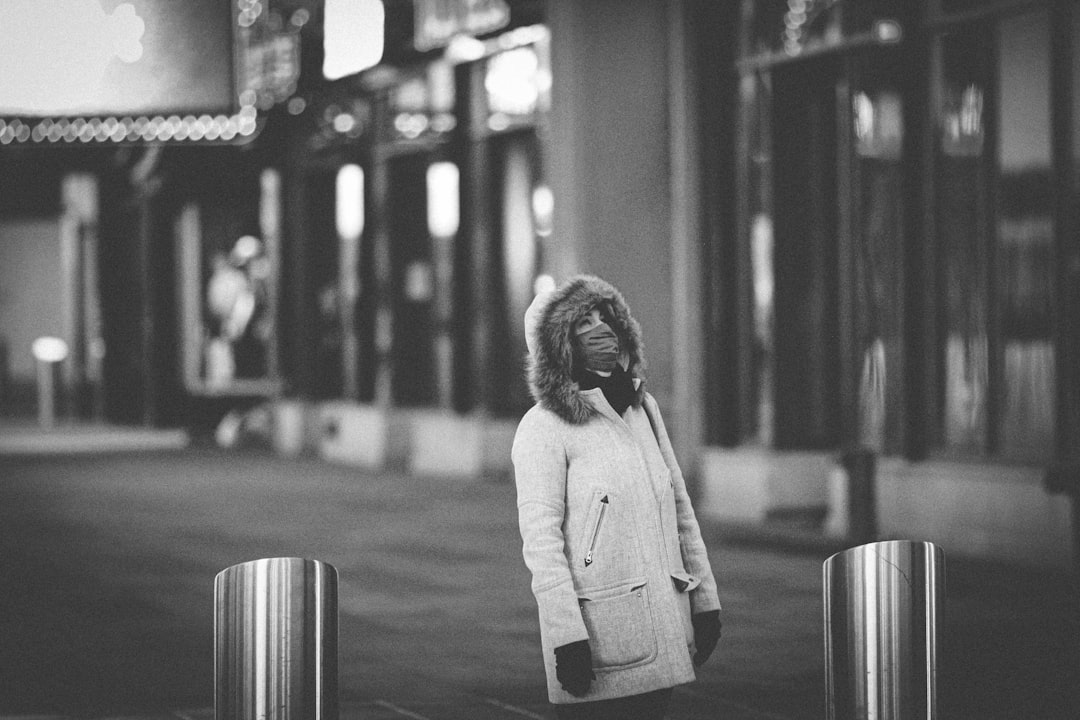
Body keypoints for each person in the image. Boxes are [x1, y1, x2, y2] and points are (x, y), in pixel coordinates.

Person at [511, 275, 722, 719]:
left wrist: (705, 601)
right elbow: (541, 541)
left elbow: (679, 509)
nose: (599, 330)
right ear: (558, 347)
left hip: (666, 620)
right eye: (582, 324)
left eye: (602, 317)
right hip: (603, 633)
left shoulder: (641, 407)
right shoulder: (544, 426)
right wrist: (566, 635)